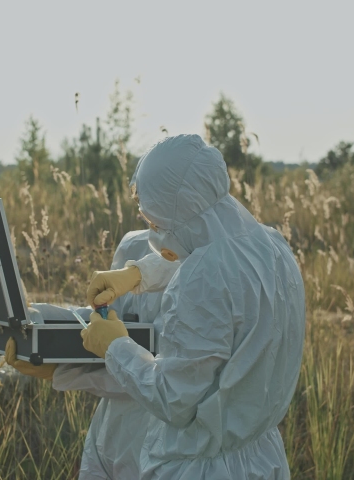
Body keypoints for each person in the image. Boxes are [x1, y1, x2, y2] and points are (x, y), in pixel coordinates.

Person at [81, 134, 306, 479]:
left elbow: (174, 399)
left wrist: (115, 346)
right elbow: (214, 259)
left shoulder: (202, 278)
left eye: (153, 219)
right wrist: (137, 273)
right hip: (262, 459)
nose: (151, 227)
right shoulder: (272, 246)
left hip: (199, 467)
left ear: (172, 207)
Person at [0, 230, 176, 478]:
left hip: (163, 445)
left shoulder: (208, 265)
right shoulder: (135, 243)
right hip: (110, 434)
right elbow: (106, 324)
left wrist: (62, 372)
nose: (140, 200)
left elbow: (157, 379)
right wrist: (36, 319)